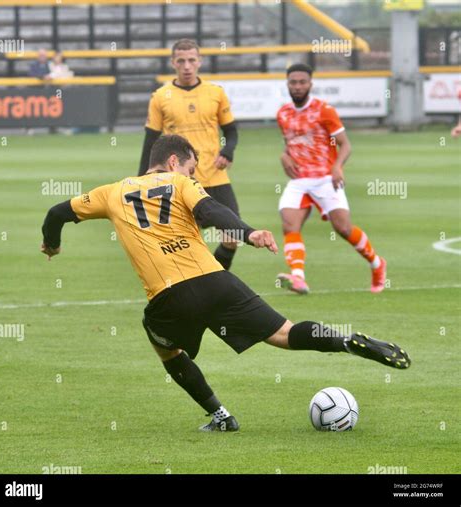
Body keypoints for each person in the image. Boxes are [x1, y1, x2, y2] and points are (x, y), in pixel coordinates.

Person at [41, 134, 411, 432]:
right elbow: (212, 212)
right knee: (284, 334)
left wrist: (52, 244)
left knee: (167, 350)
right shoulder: (180, 183)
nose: (193, 175)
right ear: (174, 162)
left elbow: (56, 212)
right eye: (191, 168)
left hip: (168, 297)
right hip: (217, 281)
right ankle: (346, 341)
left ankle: (221, 416)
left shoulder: (111, 192)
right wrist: (248, 234)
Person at [276, 64, 386, 294]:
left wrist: (337, 166)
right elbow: (292, 143)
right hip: (299, 180)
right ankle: (298, 278)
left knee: (343, 228)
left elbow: (346, 144)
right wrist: (284, 156)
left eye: (302, 82)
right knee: (289, 224)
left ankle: (377, 264)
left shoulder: (324, 110)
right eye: (293, 82)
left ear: (310, 84)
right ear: (287, 84)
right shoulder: (283, 113)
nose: (297, 86)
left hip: (326, 178)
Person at [137, 39, 240, 271]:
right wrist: (142, 178)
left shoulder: (215, 92)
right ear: (173, 62)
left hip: (215, 177)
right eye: (181, 60)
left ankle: (216, 280)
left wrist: (228, 151)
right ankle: (194, 284)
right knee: (181, 241)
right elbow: (151, 141)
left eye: (192, 60)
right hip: (179, 181)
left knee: (232, 235)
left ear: (200, 62)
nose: (187, 65)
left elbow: (231, 131)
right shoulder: (160, 96)